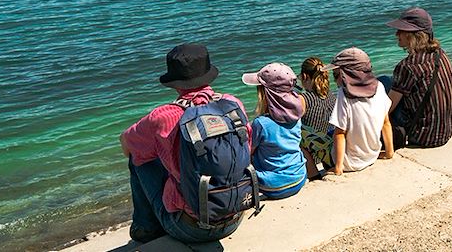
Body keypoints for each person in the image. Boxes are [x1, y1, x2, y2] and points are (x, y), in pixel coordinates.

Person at [120, 43, 249, 245]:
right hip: (236, 214)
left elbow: (126, 145)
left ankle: (145, 228)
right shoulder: (232, 104)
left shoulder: (163, 116)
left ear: (175, 82)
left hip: (189, 229)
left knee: (139, 159)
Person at [384, 7, 452, 149]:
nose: (396, 34)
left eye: (401, 30)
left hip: (423, 136)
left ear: (414, 35)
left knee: (383, 82)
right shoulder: (440, 54)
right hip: (447, 131)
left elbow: (387, 108)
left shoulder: (407, 66)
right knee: (391, 82)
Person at [242, 62, 307, 199]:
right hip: (299, 177)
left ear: (266, 93)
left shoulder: (261, 123)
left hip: (273, 186)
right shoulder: (297, 114)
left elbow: (248, 152)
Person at [325, 47, 394, 174]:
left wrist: (338, 168)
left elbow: (340, 134)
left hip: (350, 163)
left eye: (336, 75)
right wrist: (389, 152)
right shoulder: (379, 87)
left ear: (346, 74)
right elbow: (386, 123)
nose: (335, 80)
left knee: (322, 137)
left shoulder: (344, 95)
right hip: (372, 155)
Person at [298, 56, 336, 179]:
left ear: (304, 76)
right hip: (333, 150)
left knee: (298, 134)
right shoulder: (331, 95)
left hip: (320, 153)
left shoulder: (304, 99)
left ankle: (313, 174)